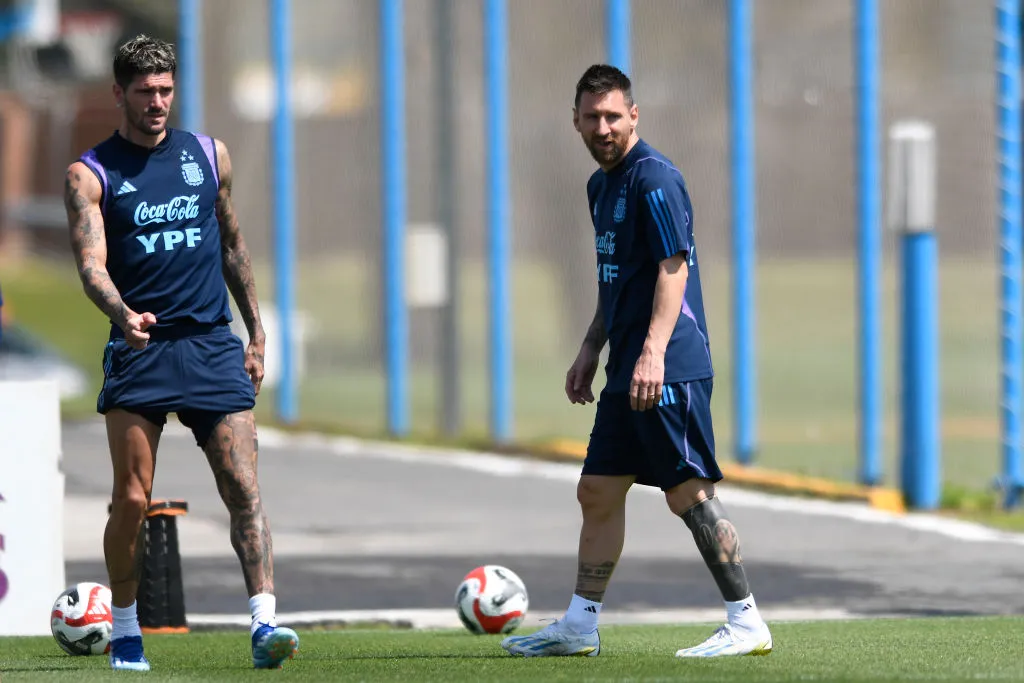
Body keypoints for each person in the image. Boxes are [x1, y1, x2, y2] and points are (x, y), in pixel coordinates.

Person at [500, 64, 773, 659]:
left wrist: (652, 354)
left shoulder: (655, 179)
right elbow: (616, 280)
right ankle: (580, 626)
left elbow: (674, 269)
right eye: (591, 117)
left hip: (668, 365)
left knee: (687, 491)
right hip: (626, 366)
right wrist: (591, 347)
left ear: (634, 116)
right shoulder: (600, 187)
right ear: (575, 121)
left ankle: (746, 620)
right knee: (597, 490)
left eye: (612, 116)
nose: (603, 127)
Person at [63, 35, 299, 671]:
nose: (157, 102)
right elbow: (91, 265)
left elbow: (233, 246)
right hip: (141, 348)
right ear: (120, 93)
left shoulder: (208, 155)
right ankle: (126, 630)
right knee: (132, 499)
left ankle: (265, 624)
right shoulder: (91, 174)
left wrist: (256, 332)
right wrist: (122, 315)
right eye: (145, 91)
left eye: (166, 89)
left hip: (211, 344)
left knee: (243, 486)